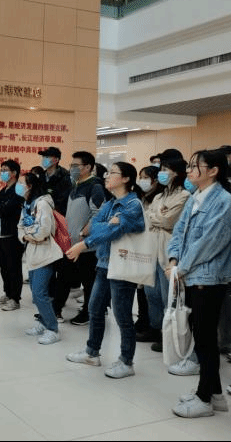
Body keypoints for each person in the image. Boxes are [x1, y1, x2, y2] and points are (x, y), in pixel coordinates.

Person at [168, 149, 231, 418]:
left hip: (209, 278)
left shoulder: (225, 201)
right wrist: (173, 259)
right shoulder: (195, 197)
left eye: (196, 166)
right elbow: (179, 232)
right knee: (202, 337)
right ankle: (215, 395)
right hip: (191, 275)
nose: (189, 170)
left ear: (214, 171)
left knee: (206, 340)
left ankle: (204, 398)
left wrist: (181, 268)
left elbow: (210, 242)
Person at [65, 162, 145, 379]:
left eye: (113, 173)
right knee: (95, 309)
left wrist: (86, 243)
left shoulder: (133, 205)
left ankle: (126, 361)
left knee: (122, 316)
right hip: (104, 263)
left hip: (122, 265)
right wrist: (110, 224)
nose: (107, 176)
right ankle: (92, 352)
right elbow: (97, 226)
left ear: (126, 178)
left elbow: (113, 231)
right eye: (107, 172)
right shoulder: (110, 204)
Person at [144, 160, 191, 359]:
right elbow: (147, 216)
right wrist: (159, 215)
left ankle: (168, 335)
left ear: (176, 172)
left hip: (168, 250)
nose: (161, 173)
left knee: (167, 296)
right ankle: (156, 329)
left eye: (165, 170)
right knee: (151, 294)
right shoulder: (160, 195)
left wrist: (158, 216)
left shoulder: (185, 195)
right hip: (152, 249)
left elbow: (168, 220)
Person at [55, 151, 105, 326]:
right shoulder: (76, 185)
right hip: (71, 243)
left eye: (76, 166)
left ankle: (87, 313)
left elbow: (98, 214)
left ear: (88, 167)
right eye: (71, 165)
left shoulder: (95, 186)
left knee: (89, 282)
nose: (72, 169)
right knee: (63, 277)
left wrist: (84, 233)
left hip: (86, 246)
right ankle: (55, 310)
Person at [18, 172, 63, 345]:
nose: (19, 186)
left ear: (30, 186)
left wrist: (28, 235)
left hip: (45, 253)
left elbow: (43, 230)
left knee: (39, 292)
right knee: (36, 294)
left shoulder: (43, 203)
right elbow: (20, 226)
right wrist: (26, 236)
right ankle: (43, 323)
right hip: (32, 253)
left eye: (22, 183)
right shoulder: (27, 204)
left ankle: (53, 329)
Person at [39, 146, 72, 323]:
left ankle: (57, 308)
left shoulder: (65, 177)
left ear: (56, 160)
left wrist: (47, 209)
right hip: (44, 226)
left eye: (47, 156)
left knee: (61, 269)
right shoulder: (41, 176)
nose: (44, 159)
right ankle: (48, 306)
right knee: (47, 266)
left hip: (59, 226)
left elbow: (62, 203)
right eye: (43, 156)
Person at [0, 160, 25, 311]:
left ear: (14, 173)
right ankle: (8, 293)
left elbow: (9, 208)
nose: (2, 173)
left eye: (5, 170)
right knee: (3, 265)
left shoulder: (19, 189)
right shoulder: (3, 191)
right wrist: (0, 209)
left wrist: (0, 209)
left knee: (13, 267)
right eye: (1, 170)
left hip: (13, 234)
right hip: (1, 234)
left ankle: (15, 299)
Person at [135, 165, 165, 342]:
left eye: (145, 177)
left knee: (157, 293)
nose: (142, 181)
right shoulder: (142, 197)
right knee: (144, 290)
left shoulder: (159, 198)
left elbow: (157, 220)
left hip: (157, 248)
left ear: (155, 180)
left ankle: (159, 329)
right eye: (141, 177)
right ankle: (145, 322)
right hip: (144, 247)